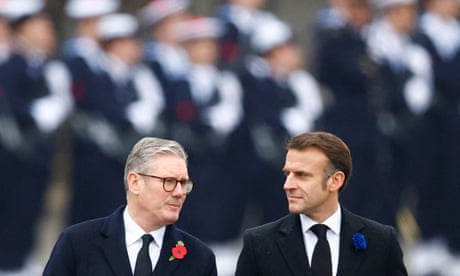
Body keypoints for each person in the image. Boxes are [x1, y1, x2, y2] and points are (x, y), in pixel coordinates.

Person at [235, 131, 408, 276]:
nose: (287, 185)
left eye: (302, 175)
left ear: (335, 181)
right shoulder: (258, 244)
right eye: (287, 174)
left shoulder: (382, 242)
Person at [43, 137, 217, 275]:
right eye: (169, 181)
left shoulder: (199, 258)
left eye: (184, 183)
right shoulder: (77, 243)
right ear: (135, 183)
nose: (180, 192)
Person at [67, 13, 166, 225]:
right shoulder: (95, 73)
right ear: (113, 45)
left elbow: (156, 105)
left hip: (128, 157)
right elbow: (107, 110)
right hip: (96, 159)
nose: (134, 47)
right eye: (128, 41)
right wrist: (131, 116)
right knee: (92, 216)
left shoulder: (137, 75)